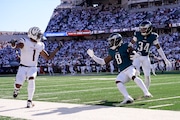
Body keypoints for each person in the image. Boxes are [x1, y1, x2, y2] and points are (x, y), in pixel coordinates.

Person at [87, 33, 152, 105]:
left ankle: (146, 92)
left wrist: (134, 55)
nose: (110, 43)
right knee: (118, 81)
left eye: (112, 41)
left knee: (133, 76)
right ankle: (127, 97)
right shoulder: (111, 51)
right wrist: (93, 56)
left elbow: (133, 51)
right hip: (123, 72)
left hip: (130, 67)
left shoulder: (125, 46)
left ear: (117, 41)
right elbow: (103, 62)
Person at [9, 27, 63, 108]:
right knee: (18, 84)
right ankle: (16, 90)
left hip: (33, 67)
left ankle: (29, 101)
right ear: (33, 35)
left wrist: (57, 49)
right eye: (38, 35)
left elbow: (47, 57)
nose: (40, 37)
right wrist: (13, 45)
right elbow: (17, 46)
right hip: (23, 67)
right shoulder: (25, 41)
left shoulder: (40, 45)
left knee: (31, 79)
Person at [129, 20, 171, 90]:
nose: (142, 30)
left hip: (145, 57)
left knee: (147, 76)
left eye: (144, 29)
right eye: (141, 29)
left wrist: (165, 59)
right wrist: (133, 52)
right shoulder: (137, 34)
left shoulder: (153, 36)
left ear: (149, 29)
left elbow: (159, 48)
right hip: (137, 56)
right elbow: (130, 45)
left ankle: (146, 91)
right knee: (134, 72)